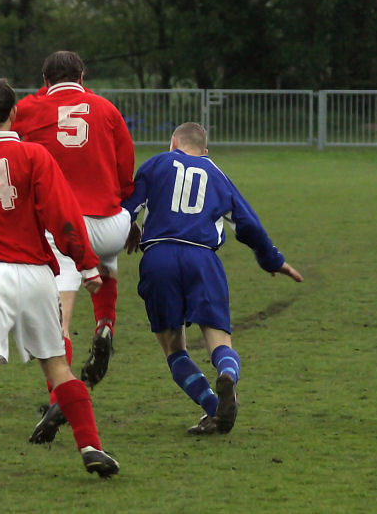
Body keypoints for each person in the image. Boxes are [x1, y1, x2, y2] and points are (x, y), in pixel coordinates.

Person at [0, 51, 135, 444]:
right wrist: (126, 210)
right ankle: (106, 322)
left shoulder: (34, 110)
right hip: (110, 223)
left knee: (58, 328)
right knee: (106, 251)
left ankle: (53, 403)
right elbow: (126, 169)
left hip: (58, 234)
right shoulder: (106, 108)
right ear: (83, 75)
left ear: (44, 78)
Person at [121, 122, 303, 434]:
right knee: (218, 338)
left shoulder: (156, 164)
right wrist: (273, 261)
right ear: (205, 151)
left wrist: (130, 226)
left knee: (173, 348)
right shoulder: (217, 175)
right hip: (202, 258)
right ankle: (227, 374)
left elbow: (126, 208)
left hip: (159, 257)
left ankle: (213, 408)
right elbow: (249, 225)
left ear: (173, 143)